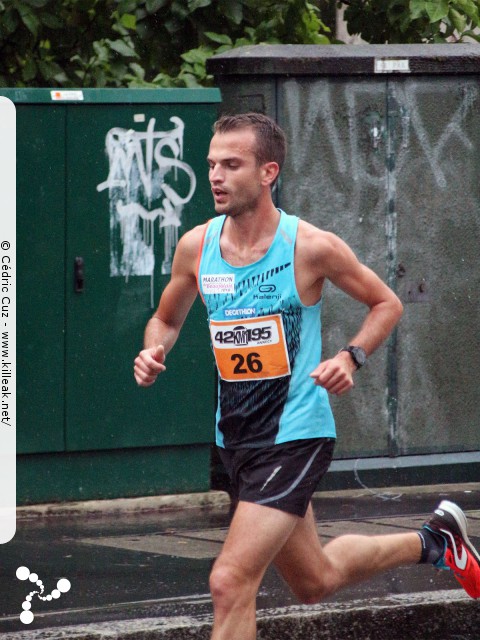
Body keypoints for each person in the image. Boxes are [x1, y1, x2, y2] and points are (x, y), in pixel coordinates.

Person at [134, 112, 480, 640]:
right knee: (314, 580)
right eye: (211, 165)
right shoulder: (197, 247)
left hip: (295, 435)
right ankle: (436, 540)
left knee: (230, 580)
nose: (215, 177)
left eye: (232, 164)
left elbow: (386, 303)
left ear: (268, 171)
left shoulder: (309, 247)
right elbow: (166, 318)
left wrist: (350, 357)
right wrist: (153, 351)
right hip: (238, 438)